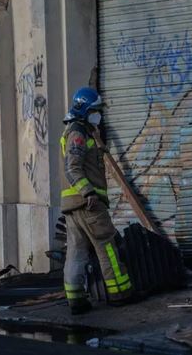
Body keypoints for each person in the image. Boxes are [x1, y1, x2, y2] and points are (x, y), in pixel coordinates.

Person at [59, 87, 132, 314]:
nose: (98, 115)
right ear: (84, 110)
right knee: (107, 247)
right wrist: (89, 193)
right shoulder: (78, 133)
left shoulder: (80, 130)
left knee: (76, 253)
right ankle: (120, 293)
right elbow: (72, 168)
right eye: (95, 110)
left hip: (74, 207)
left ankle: (76, 300)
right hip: (88, 205)